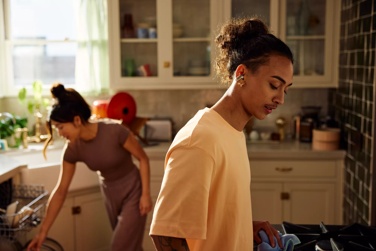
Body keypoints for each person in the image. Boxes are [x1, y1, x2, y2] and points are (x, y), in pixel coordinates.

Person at [150, 17, 294, 251]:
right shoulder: (200, 140)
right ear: (242, 74)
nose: (281, 99)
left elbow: (211, 216)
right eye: (274, 85)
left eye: (286, 89)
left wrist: (241, 228)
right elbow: (166, 236)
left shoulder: (232, 131)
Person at [27, 83, 152, 251]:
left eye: (61, 127)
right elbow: (61, 191)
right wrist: (42, 232)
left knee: (120, 247)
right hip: (110, 193)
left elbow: (143, 159)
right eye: (56, 128)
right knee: (131, 246)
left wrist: (145, 194)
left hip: (134, 190)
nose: (60, 133)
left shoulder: (115, 131)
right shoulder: (72, 149)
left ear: (77, 120)